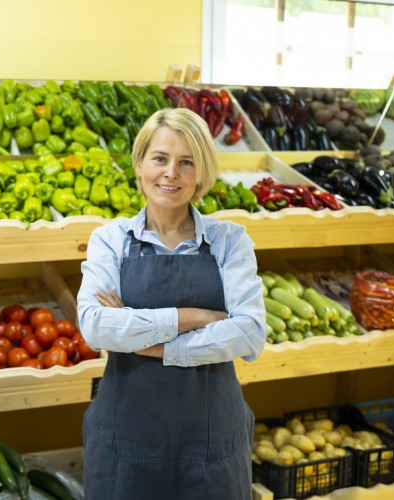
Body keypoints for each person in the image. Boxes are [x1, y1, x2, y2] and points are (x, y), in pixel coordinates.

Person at [77, 107, 266, 499]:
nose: (171, 173)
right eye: (160, 159)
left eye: (186, 162)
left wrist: (146, 340)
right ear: (140, 164)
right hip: (125, 439)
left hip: (212, 444)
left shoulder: (230, 241)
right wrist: (193, 316)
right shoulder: (109, 240)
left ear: (201, 173)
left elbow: (250, 334)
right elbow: (96, 326)